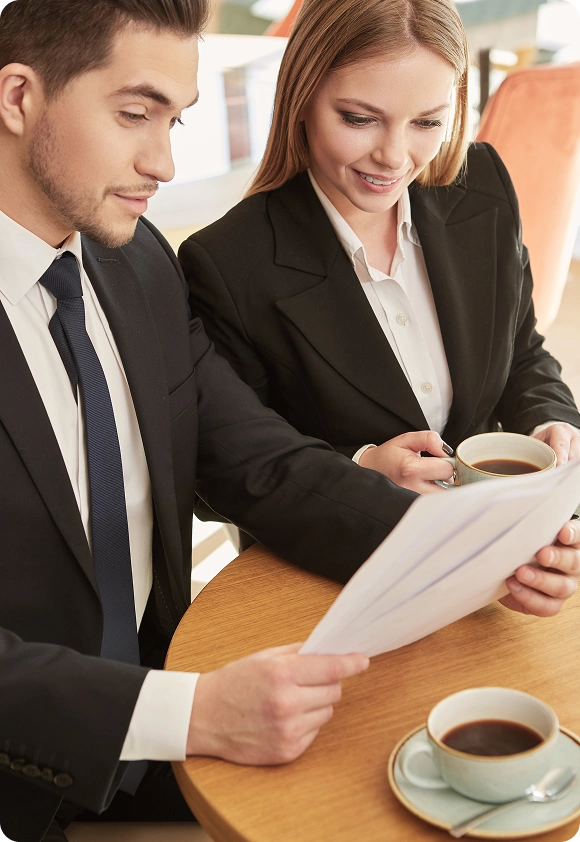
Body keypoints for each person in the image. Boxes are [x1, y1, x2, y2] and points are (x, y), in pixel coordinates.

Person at [0, 2, 578, 841]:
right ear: (17, 96)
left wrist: (483, 552)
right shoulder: (201, 260)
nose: (164, 162)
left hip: (168, 729)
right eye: (135, 114)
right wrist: (187, 712)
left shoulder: (132, 267)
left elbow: (260, 463)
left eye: (176, 119)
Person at [181, 0, 580, 494]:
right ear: (301, 95)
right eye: (359, 119)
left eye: (427, 123)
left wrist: (551, 422)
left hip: (489, 529)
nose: (393, 158)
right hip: (339, 558)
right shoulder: (228, 263)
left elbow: (521, 353)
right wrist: (360, 470)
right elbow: (222, 473)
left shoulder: (482, 186)